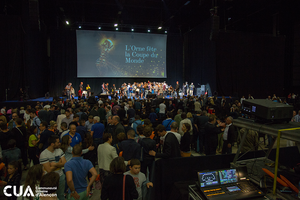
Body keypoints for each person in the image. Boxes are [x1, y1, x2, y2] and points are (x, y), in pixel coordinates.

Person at [39, 135, 66, 200]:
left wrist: (55, 164)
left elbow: (65, 163)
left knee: (61, 195)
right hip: (49, 180)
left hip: (61, 176)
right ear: (52, 144)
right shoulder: (44, 154)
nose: (59, 143)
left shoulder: (59, 150)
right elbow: (49, 170)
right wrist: (59, 163)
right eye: (58, 142)